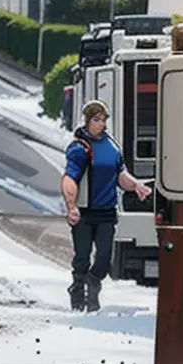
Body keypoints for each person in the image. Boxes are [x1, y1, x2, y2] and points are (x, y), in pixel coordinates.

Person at [62, 100, 152, 312]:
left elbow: (121, 174)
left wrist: (136, 185)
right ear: (87, 120)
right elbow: (70, 178)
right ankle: (78, 290)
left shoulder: (112, 147)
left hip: (106, 212)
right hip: (84, 212)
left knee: (104, 256)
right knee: (82, 256)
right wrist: (71, 206)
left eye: (103, 120)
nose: (100, 124)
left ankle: (93, 283)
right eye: (96, 120)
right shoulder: (79, 148)